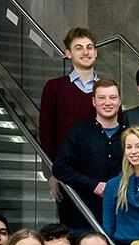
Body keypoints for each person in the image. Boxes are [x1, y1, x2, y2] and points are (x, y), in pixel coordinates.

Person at [52, 78, 125, 229]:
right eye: (102, 98)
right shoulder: (79, 132)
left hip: (121, 215)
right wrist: (93, 185)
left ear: (119, 101)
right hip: (82, 215)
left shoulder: (129, 135)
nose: (107, 102)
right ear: (94, 101)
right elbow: (60, 168)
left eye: (112, 97)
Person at [40, 27, 98, 204]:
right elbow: (46, 134)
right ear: (68, 53)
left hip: (102, 176)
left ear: (96, 52)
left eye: (89, 47)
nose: (86, 52)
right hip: (66, 175)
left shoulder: (107, 89)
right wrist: (51, 173)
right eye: (79, 48)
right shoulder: (54, 88)